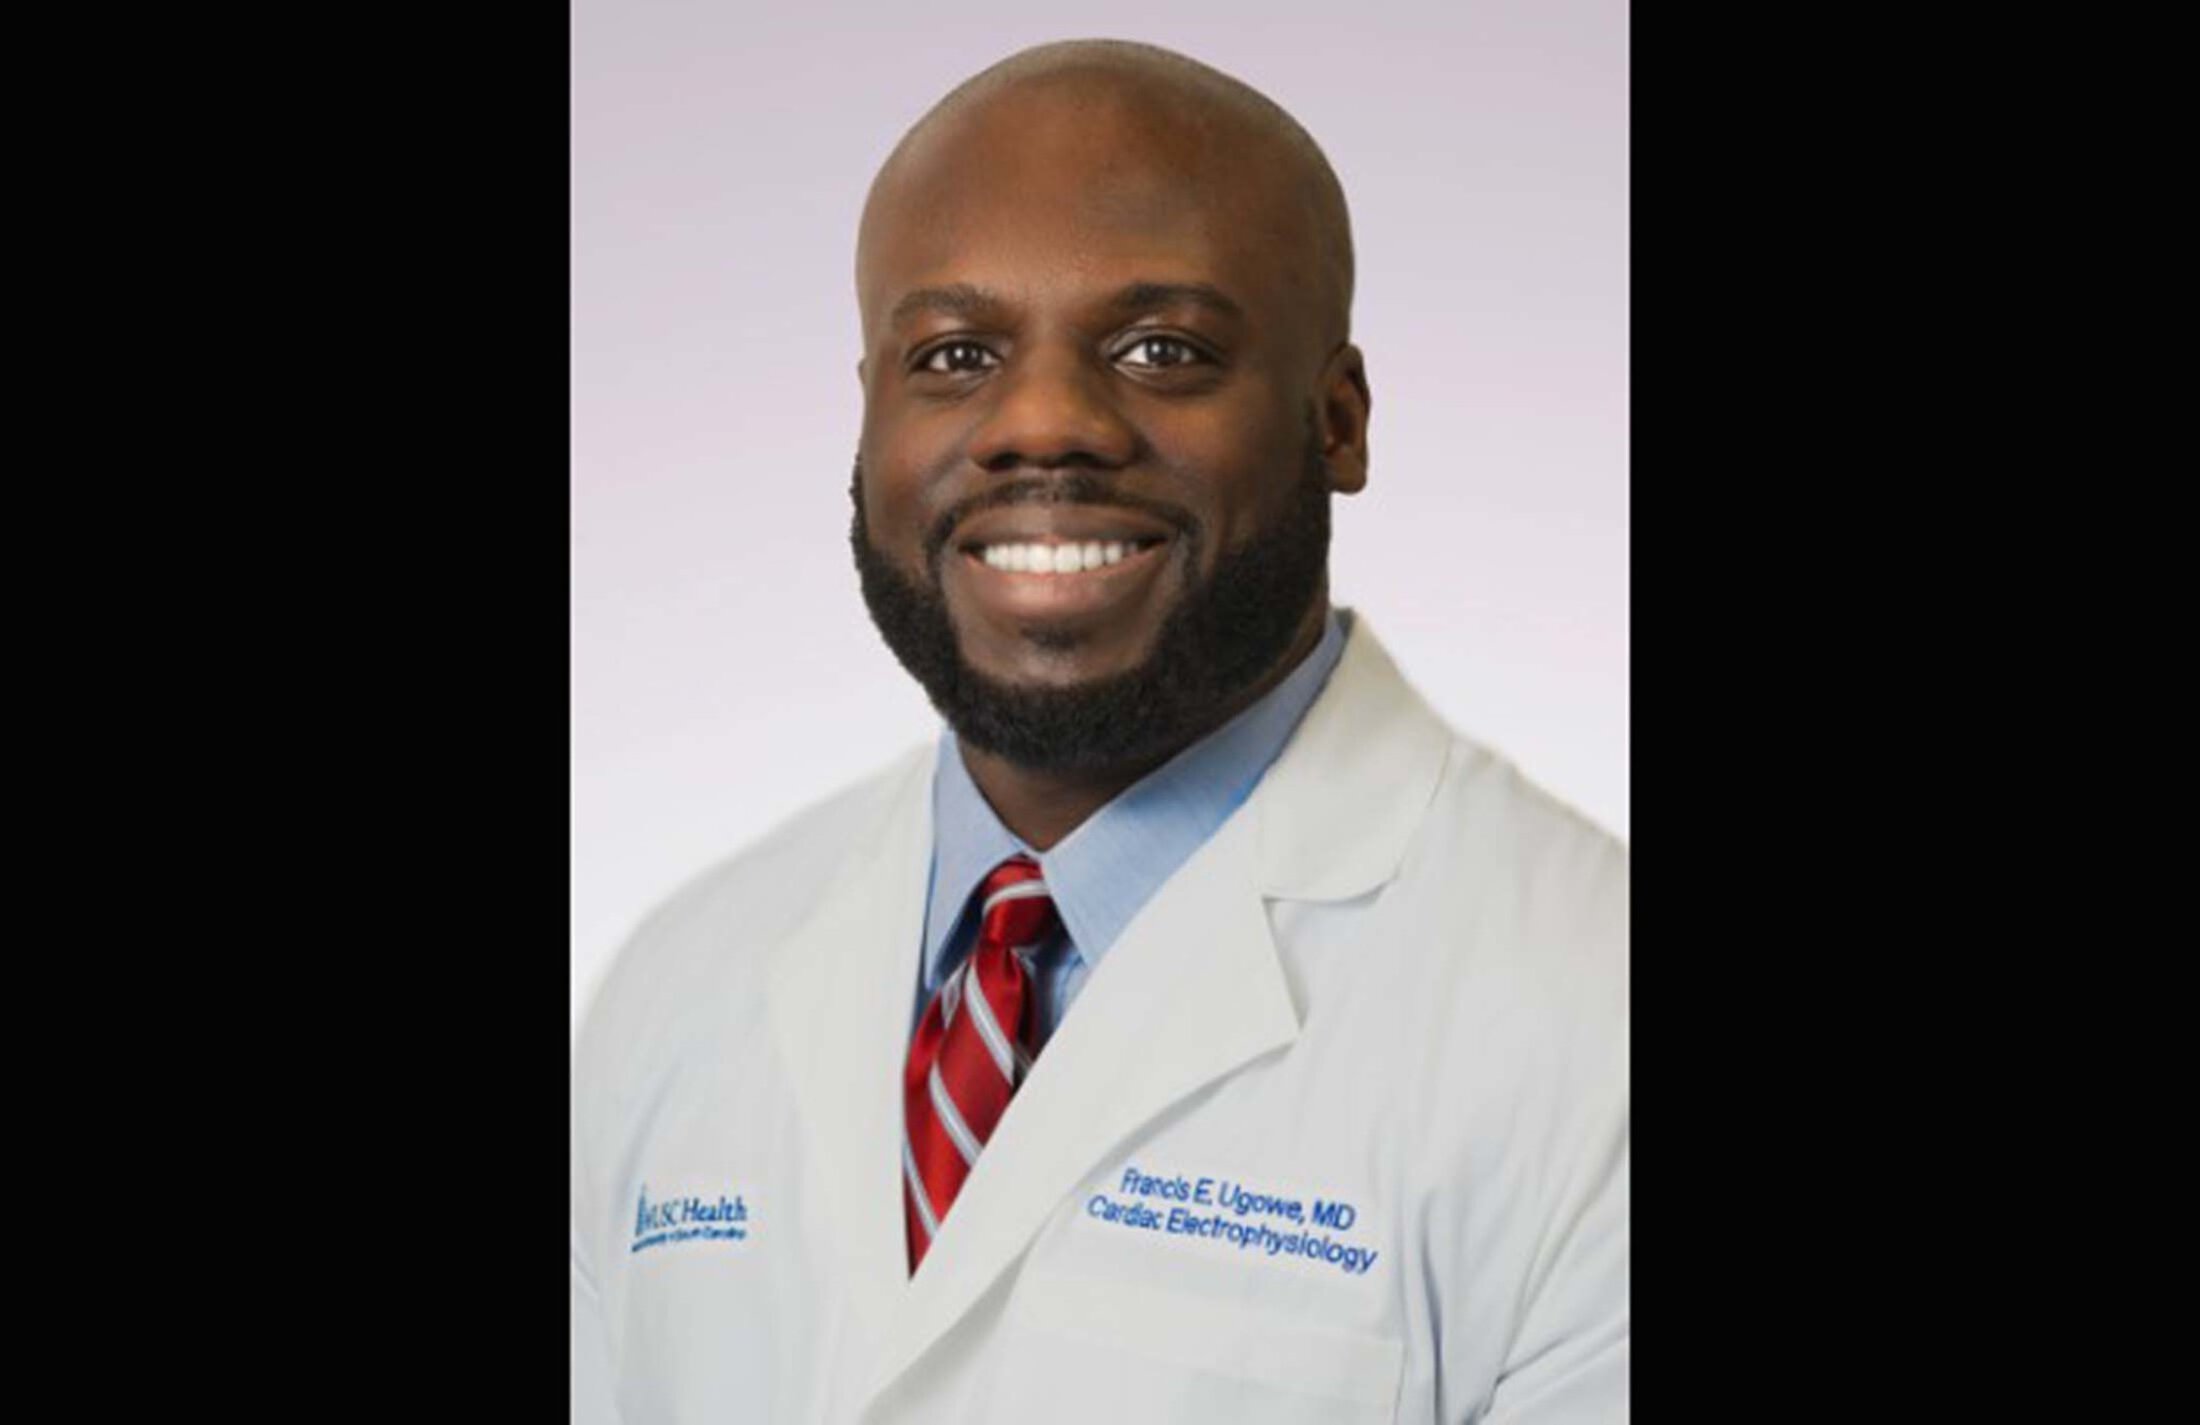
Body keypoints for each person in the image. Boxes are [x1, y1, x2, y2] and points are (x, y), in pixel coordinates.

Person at [571, 38, 1627, 1425]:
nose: (1043, 423)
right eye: (955, 355)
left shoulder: (1587, 1025)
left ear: (1338, 422)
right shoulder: (680, 983)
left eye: (1160, 350)